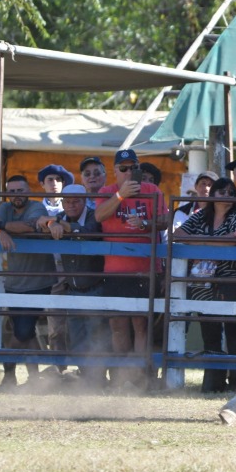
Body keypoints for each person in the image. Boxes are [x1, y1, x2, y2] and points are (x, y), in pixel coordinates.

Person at [173, 177, 236, 392]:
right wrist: (209, 242)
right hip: (203, 283)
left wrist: (200, 241)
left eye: (231, 192)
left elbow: (233, 241)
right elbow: (177, 234)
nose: (227, 196)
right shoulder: (201, 216)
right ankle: (213, 384)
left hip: (233, 281)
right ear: (213, 196)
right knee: (209, 334)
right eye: (222, 192)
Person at [95, 149, 168, 390]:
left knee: (141, 324)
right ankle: (121, 375)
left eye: (132, 167)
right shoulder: (106, 192)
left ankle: (140, 377)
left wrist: (147, 224)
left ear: (138, 168)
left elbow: (166, 220)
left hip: (144, 269)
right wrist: (120, 195)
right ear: (115, 171)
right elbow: (98, 216)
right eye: (123, 168)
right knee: (117, 325)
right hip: (114, 269)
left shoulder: (152, 191)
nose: (128, 172)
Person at [37, 183, 109, 388]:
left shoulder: (95, 216)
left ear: (84, 201)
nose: (71, 205)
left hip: (95, 286)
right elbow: (40, 221)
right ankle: (87, 379)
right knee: (77, 336)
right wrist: (51, 223)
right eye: (67, 201)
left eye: (76, 201)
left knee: (96, 334)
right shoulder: (60, 216)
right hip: (74, 288)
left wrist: (59, 224)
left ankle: (97, 379)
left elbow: (87, 231)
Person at [0, 176, 57, 388]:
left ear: (28, 190)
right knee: (26, 331)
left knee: (22, 331)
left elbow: (30, 227)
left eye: (19, 190)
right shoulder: (4, 208)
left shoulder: (36, 207)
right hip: (14, 282)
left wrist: (1, 227)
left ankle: (9, 374)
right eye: (11, 191)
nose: (15, 195)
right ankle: (33, 377)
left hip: (38, 280)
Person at [37, 164, 75, 368]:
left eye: (58, 180)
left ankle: (85, 369)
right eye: (50, 180)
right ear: (42, 184)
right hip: (49, 269)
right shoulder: (36, 209)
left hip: (74, 268)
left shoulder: (71, 206)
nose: (54, 184)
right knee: (56, 323)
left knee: (80, 320)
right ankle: (59, 366)